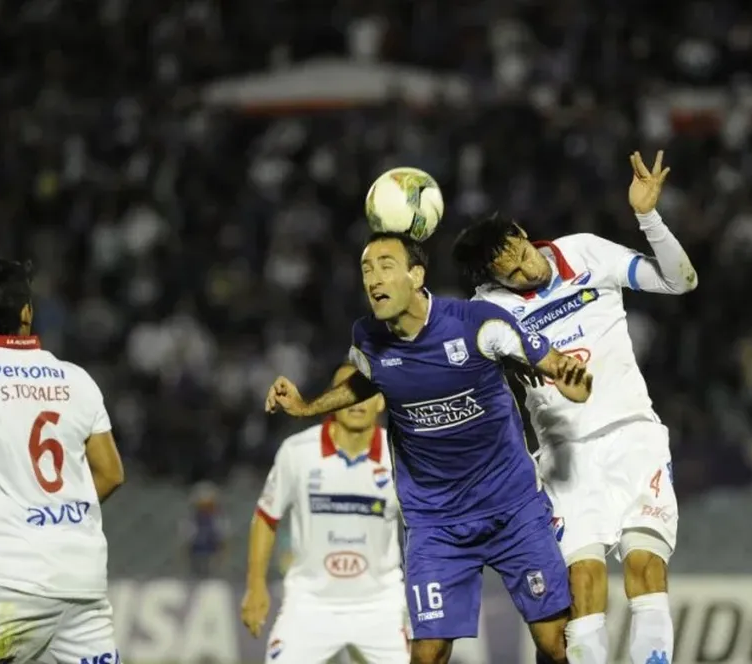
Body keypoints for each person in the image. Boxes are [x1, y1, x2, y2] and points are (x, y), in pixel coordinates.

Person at [265, 231, 594, 664]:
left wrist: (570, 379)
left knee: (555, 644)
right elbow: (367, 379)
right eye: (366, 270)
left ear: (416, 275)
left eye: (385, 266)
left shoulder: (477, 323)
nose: (373, 279)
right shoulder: (367, 338)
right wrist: (307, 407)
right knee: (428, 654)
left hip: (512, 508)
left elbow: (549, 361)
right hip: (436, 523)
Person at [450, 150, 697, 664]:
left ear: (522, 232)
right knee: (583, 585)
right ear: (491, 280)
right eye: (511, 272)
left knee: (646, 569)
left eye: (522, 252)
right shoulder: (487, 311)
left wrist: (648, 217)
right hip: (565, 456)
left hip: (633, 433)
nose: (527, 269)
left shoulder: (584, 251)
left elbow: (680, 281)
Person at [0, 259, 125, 663]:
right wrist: (54, 515)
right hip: (82, 584)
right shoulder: (76, 378)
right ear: (26, 313)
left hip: (11, 585)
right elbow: (111, 473)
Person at [241, 362, 408, 664]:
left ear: (381, 401)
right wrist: (255, 586)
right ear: (332, 398)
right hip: (310, 604)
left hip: (381, 606)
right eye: (346, 391)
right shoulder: (298, 451)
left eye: (365, 392)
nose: (356, 401)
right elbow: (266, 516)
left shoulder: (400, 456)